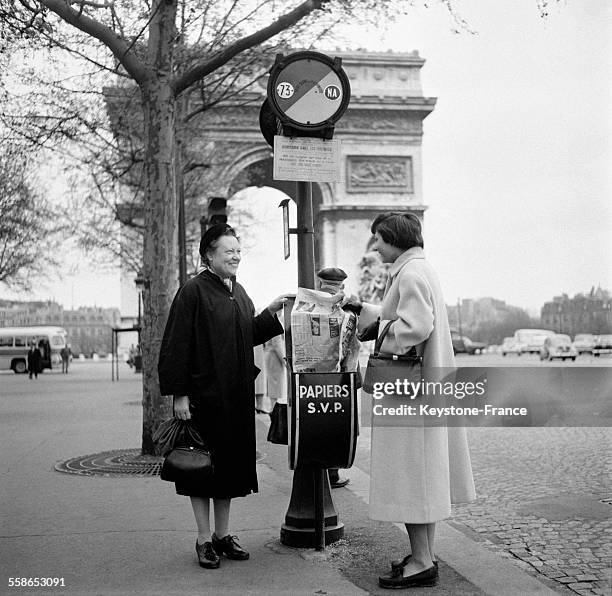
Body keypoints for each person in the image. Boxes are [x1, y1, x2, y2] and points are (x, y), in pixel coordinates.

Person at [343, 212, 476, 589]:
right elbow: (401, 317)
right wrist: (365, 311)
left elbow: (414, 326)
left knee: (411, 477)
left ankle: (421, 562)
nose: (376, 247)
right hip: (424, 389)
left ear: (392, 237)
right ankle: (424, 555)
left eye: (379, 240)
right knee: (423, 476)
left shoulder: (411, 273)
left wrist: (377, 330)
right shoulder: (419, 268)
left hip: (410, 392)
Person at [158, 224, 293, 570]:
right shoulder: (192, 292)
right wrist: (180, 395)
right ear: (208, 255)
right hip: (203, 397)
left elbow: (247, 333)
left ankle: (222, 535)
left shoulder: (240, 291)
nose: (235, 256)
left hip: (234, 396)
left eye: (238, 250)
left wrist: (272, 312)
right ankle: (203, 538)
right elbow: (176, 345)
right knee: (201, 467)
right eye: (228, 250)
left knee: (229, 469)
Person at [316, 267, 352, 489]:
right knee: (338, 423)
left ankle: (326, 472)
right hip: (339, 377)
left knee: (321, 422)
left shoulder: (313, 305)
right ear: (342, 286)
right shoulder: (347, 307)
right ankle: (332, 473)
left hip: (317, 378)